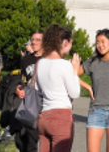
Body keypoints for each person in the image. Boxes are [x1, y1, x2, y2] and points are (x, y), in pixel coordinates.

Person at [77, 29, 109, 152]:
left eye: (103, 41)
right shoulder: (92, 62)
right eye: (97, 42)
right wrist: (87, 86)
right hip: (96, 111)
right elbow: (71, 74)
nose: (100, 45)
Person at [36, 24, 81, 152]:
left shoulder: (40, 63)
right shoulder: (64, 64)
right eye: (71, 42)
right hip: (60, 117)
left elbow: (37, 88)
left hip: (43, 116)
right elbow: (75, 93)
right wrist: (75, 71)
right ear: (65, 42)